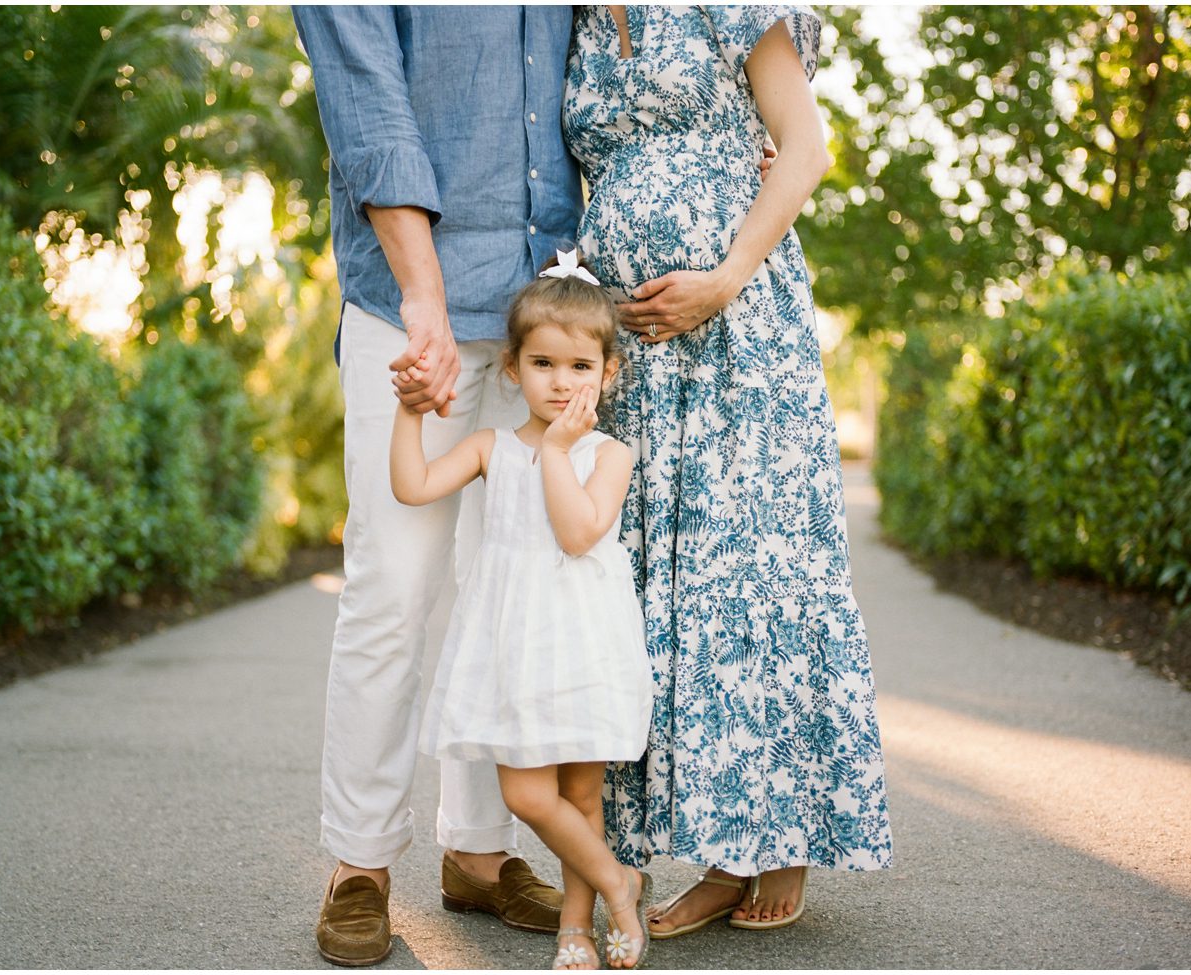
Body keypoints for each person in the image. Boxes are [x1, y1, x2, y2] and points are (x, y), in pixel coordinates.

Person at [562, 4, 894, 936]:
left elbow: (805, 146)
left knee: (752, 562)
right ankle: (717, 842)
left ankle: (772, 843)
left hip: (739, 322)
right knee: (657, 583)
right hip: (631, 345)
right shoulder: (575, 24)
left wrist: (727, 274)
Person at [290, 7, 582, 965]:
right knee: (394, 589)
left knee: (510, 594)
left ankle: (479, 853)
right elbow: (370, 109)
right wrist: (424, 300)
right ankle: (360, 862)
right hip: (410, 305)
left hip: (542, 314)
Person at [394, 254, 656, 970]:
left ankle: (577, 924)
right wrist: (409, 410)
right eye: (543, 362)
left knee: (580, 792)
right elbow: (414, 485)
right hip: (516, 646)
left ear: (607, 372)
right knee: (527, 791)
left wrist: (561, 451)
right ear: (513, 368)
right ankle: (617, 881)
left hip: (583, 640)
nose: (561, 380)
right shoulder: (491, 448)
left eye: (579, 365)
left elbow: (577, 533)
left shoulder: (608, 455)